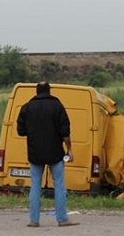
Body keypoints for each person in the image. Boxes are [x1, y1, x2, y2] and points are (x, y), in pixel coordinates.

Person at [16, 81, 79, 228]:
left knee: (35, 186)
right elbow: (65, 131)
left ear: (36, 92)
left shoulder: (27, 107)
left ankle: (34, 220)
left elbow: (21, 131)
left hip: (35, 153)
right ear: (49, 91)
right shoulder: (57, 106)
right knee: (59, 185)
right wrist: (69, 149)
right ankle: (62, 219)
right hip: (55, 153)